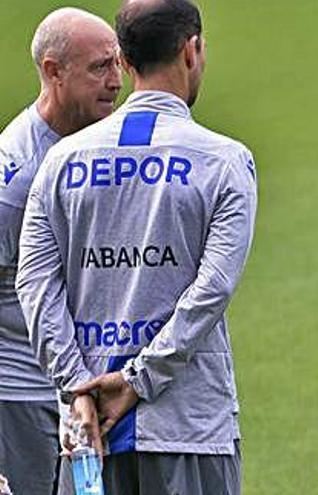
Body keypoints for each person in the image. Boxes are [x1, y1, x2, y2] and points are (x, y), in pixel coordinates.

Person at [15, 0, 257, 493]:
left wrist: (76, 387)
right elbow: (210, 291)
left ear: (123, 62)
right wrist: (138, 380)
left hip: (87, 438)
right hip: (187, 429)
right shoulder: (226, 162)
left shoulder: (60, 162)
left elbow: (35, 285)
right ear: (192, 50)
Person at [0, 8, 120, 495]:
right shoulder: (15, 176)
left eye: (118, 64)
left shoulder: (96, 146)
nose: (116, 82)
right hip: (21, 398)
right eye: (98, 68)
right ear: (53, 71)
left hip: (80, 390)